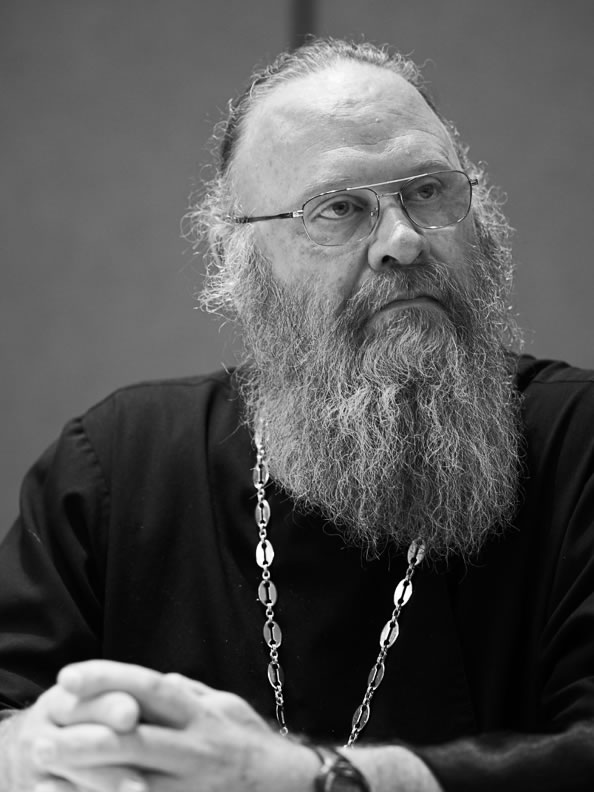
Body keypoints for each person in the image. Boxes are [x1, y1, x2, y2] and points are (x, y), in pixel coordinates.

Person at [0, 37, 593, 792]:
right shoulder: (118, 467)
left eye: (428, 191)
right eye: (339, 208)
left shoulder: (578, 442)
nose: (403, 241)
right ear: (244, 262)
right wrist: (28, 751)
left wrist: (309, 778)